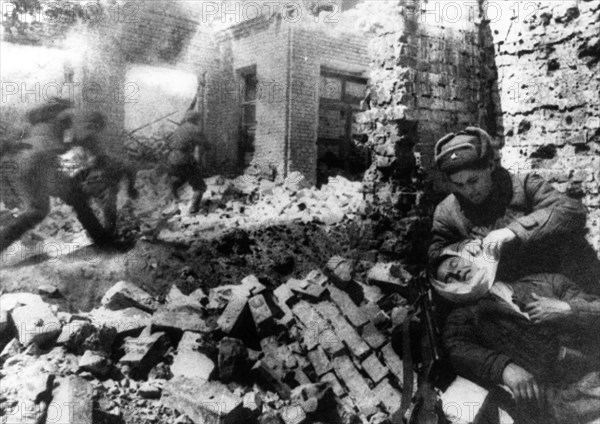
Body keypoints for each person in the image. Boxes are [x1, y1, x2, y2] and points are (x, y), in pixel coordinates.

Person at [429, 126, 600, 295]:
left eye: (473, 180)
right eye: (458, 185)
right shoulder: (447, 210)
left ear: (490, 166)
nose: (468, 191)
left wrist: (512, 231)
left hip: (561, 281)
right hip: (508, 292)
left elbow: (572, 211)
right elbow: (435, 254)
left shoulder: (524, 184)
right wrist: (460, 248)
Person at [435, 250, 600, 423]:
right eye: (449, 278)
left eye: (455, 263)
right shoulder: (462, 320)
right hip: (565, 399)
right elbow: (459, 349)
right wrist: (505, 368)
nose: (457, 272)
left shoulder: (545, 281)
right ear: (445, 290)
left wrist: (567, 309)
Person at [167, 110, 211, 214]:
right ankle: (193, 208)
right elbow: (206, 145)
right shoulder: (195, 129)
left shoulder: (179, 128)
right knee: (200, 186)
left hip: (172, 159)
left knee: (180, 179)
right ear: (196, 119)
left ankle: (174, 198)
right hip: (185, 159)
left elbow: (170, 143)